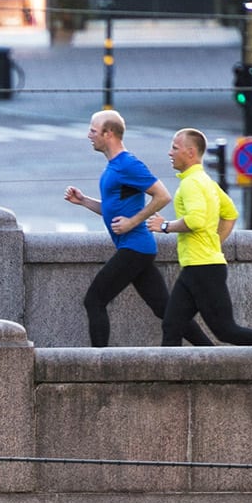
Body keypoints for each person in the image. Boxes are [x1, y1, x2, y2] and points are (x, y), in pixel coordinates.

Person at [62, 110, 211, 347]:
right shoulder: (114, 167)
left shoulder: (128, 164)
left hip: (135, 248)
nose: (89, 135)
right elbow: (113, 210)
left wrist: (132, 222)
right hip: (137, 248)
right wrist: (83, 201)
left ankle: (100, 365)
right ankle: (211, 353)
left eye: (93, 130)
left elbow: (162, 196)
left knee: (94, 300)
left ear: (108, 133)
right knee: (164, 309)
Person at [146, 128, 252, 347]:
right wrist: (213, 243)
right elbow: (230, 214)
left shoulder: (191, 184)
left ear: (190, 152)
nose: (170, 153)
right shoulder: (204, 180)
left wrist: (164, 226)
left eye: (175, 148)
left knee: (226, 330)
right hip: (197, 266)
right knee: (172, 326)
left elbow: (195, 220)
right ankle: (174, 379)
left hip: (203, 268)